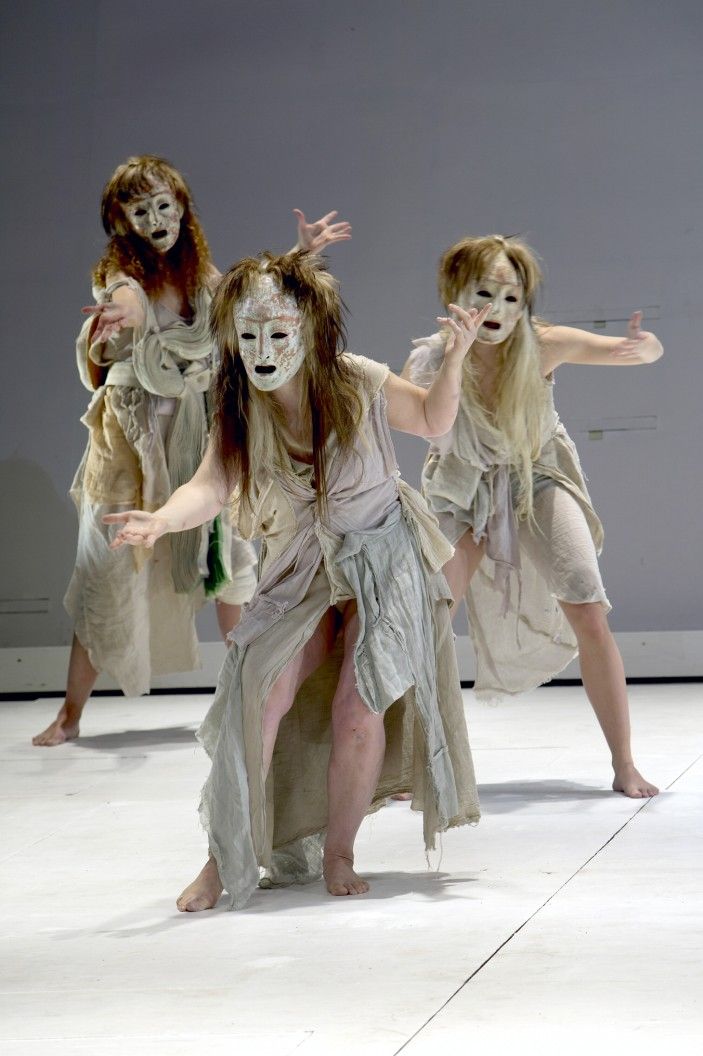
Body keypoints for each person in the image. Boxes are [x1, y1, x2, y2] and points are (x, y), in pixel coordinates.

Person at [106, 250, 486, 909]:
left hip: (381, 557)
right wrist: (163, 522)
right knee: (258, 691)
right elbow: (210, 484)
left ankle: (338, 852)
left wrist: (455, 358)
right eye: (249, 335)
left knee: (357, 708)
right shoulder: (238, 405)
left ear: (309, 331)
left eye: (278, 333)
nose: (262, 349)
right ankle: (222, 859)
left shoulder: (357, 381)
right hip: (301, 563)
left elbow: (431, 420)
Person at [33, 155, 351, 747]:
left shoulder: (200, 272)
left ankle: (249, 698)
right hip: (130, 445)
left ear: (181, 209)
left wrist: (300, 254)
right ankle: (70, 713)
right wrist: (122, 318)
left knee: (228, 567)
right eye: (141, 208)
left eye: (165, 205)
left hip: (200, 435)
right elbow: (121, 301)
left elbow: (252, 295)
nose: (156, 218)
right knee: (106, 572)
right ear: (121, 219)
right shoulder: (119, 274)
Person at [403, 235, 663, 799]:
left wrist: (642, 347)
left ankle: (624, 763)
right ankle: (406, 761)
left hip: (535, 476)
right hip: (460, 487)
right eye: (483, 293)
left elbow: (635, 351)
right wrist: (453, 359)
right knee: (428, 616)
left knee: (588, 604)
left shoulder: (542, 345)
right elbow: (423, 426)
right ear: (455, 293)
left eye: (511, 297)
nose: (496, 309)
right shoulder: (429, 358)